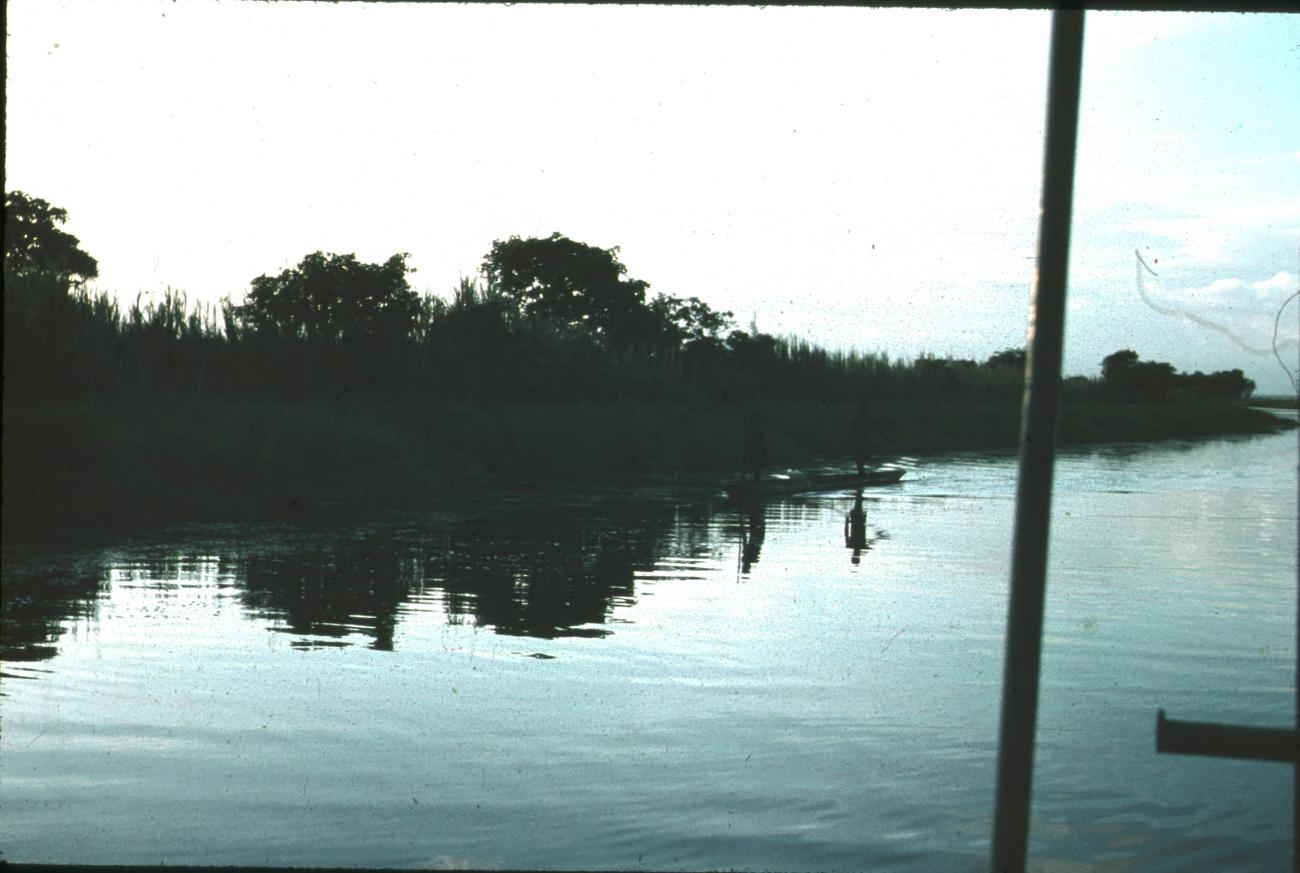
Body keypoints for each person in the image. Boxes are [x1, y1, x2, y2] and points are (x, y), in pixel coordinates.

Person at [740, 411, 767, 483]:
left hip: (757, 451)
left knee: (757, 468)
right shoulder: (752, 428)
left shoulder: (755, 429)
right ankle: (756, 481)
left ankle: (757, 482)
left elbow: (761, 440)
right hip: (754, 450)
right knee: (755, 468)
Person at [849, 398, 872, 475]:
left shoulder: (857, 420)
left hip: (859, 443)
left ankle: (861, 475)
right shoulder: (862, 420)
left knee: (860, 462)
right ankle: (861, 476)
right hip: (861, 443)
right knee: (860, 462)